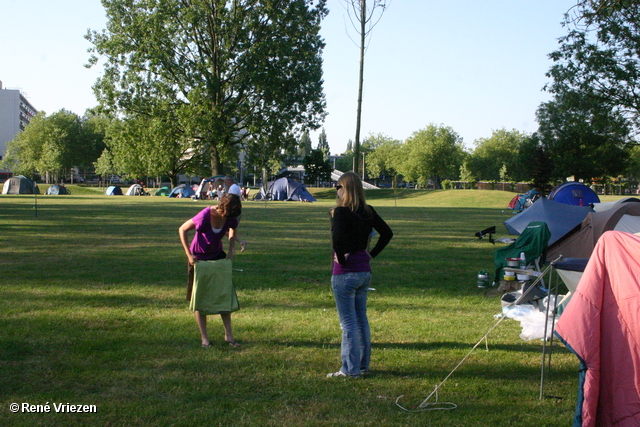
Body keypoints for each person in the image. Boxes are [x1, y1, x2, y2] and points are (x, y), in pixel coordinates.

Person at [327, 172, 393, 378]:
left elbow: (336, 239)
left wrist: (341, 258)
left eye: (338, 186)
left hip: (345, 274)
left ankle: (350, 369)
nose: (336, 190)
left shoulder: (341, 212)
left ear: (344, 188)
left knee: (348, 323)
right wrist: (370, 254)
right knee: (360, 319)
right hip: (364, 271)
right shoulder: (368, 211)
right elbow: (387, 233)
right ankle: (363, 365)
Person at [179, 194, 243, 348]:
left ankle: (229, 336)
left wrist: (231, 250)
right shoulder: (205, 215)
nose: (227, 217)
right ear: (221, 207)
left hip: (218, 258)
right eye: (226, 214)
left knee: (223, 294)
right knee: (200, 298)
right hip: (198, 259)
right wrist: (189, 255)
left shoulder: (230, 217)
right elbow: (182, 229)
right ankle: (205, 338)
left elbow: (232, 230)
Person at [224, 175, 247, 252]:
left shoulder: (233, 188)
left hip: (234, 211)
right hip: (235, 210)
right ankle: (235, 246)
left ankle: (238, 244)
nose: (225, 183)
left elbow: (232, 199)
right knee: (229, 230)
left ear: (230, 181)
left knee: (227, 230)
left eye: (226, 181)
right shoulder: (233, 187)